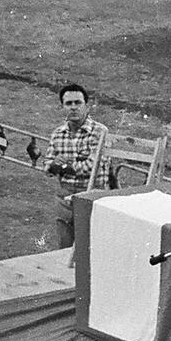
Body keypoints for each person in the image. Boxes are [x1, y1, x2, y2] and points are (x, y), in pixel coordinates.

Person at [43, 83, 109, 249]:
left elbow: (91, 166)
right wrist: (54, 166)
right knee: (64, 250)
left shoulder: (99, 132)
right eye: (68, 103)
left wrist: (63, 167)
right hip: (64, 199)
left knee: (90, 249)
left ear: (86, 106)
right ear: (62, 107)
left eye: (78, 103)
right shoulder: (58, 134)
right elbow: (48, 166)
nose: (73, 108)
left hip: (92, 196)